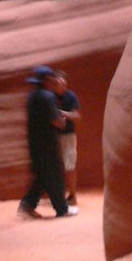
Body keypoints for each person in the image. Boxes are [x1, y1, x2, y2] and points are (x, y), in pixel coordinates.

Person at [17, 66, 78, 219]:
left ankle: (27, 205)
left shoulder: (32, 96)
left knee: (43, 176)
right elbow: (57, 122)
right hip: (47, 143)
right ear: (46, 81)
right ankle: (62, 209)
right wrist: (62, 121)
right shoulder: (47, 96)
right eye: (51, 79)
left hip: (34, 142)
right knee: (55, 175)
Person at [52, 70, 81, 206]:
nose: (61, 85)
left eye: (63, 82)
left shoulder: (71, 96)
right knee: (56, 166)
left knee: (70, 166)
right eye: (58, 82)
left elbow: (77, 116)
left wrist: (62, 113)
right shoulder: (51, 97)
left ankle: (72, 195)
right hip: (54, 136)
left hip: (68, 136)